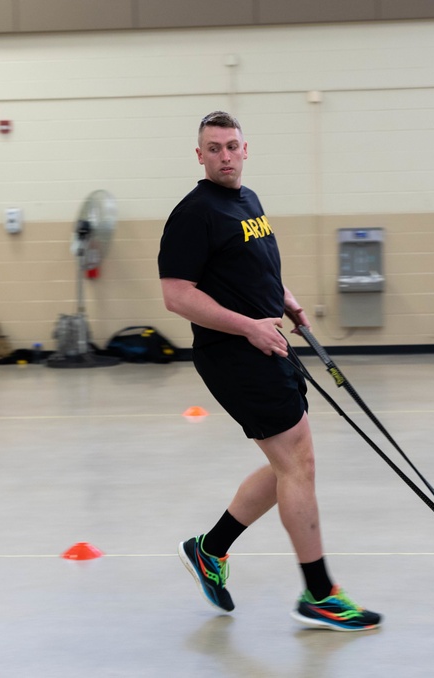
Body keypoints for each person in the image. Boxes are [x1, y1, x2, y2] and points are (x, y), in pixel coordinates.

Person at [158, 111, 381, 632]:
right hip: (235, 354)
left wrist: (286, 300)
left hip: (269, 345)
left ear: (245, 148)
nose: (225, 155)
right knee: (297, 465)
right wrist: (248, 328)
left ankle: (209, 550)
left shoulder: (247, 201)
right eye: (214, 148)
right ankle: (320, 594)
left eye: (232, 145)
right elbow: (177, 296)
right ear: (199, 156)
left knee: (291, 463)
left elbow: (253, 266)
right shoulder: (193, 213)